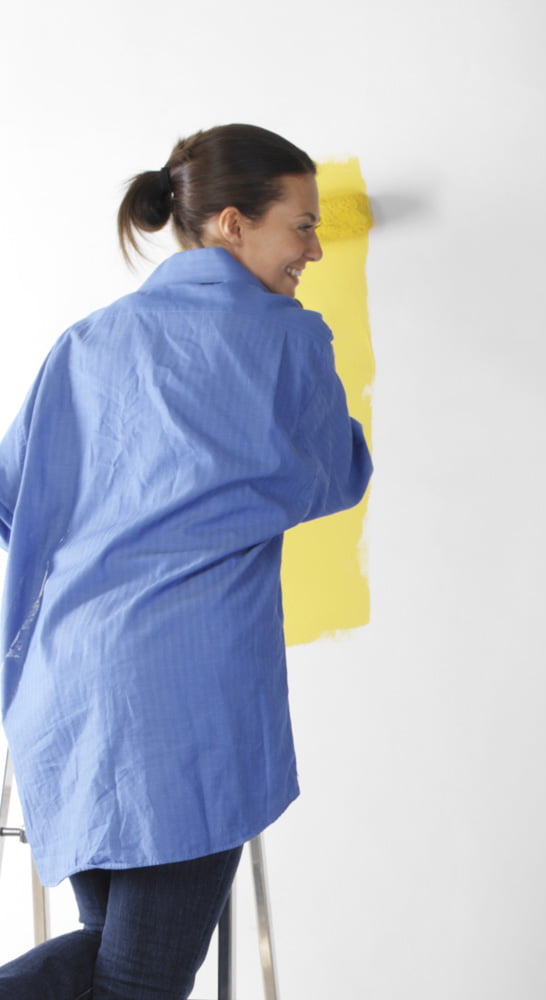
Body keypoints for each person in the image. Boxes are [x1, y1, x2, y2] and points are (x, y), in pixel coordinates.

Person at [0, 123, 372, 999]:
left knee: (114, 952)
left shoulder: (88, 342)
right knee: (140, 981)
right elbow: (335, 473)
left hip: (69, 689)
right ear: (234, 224)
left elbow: (13, 496)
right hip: (182, 704)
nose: (315, 249)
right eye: (303, 226)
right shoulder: (287, 339)